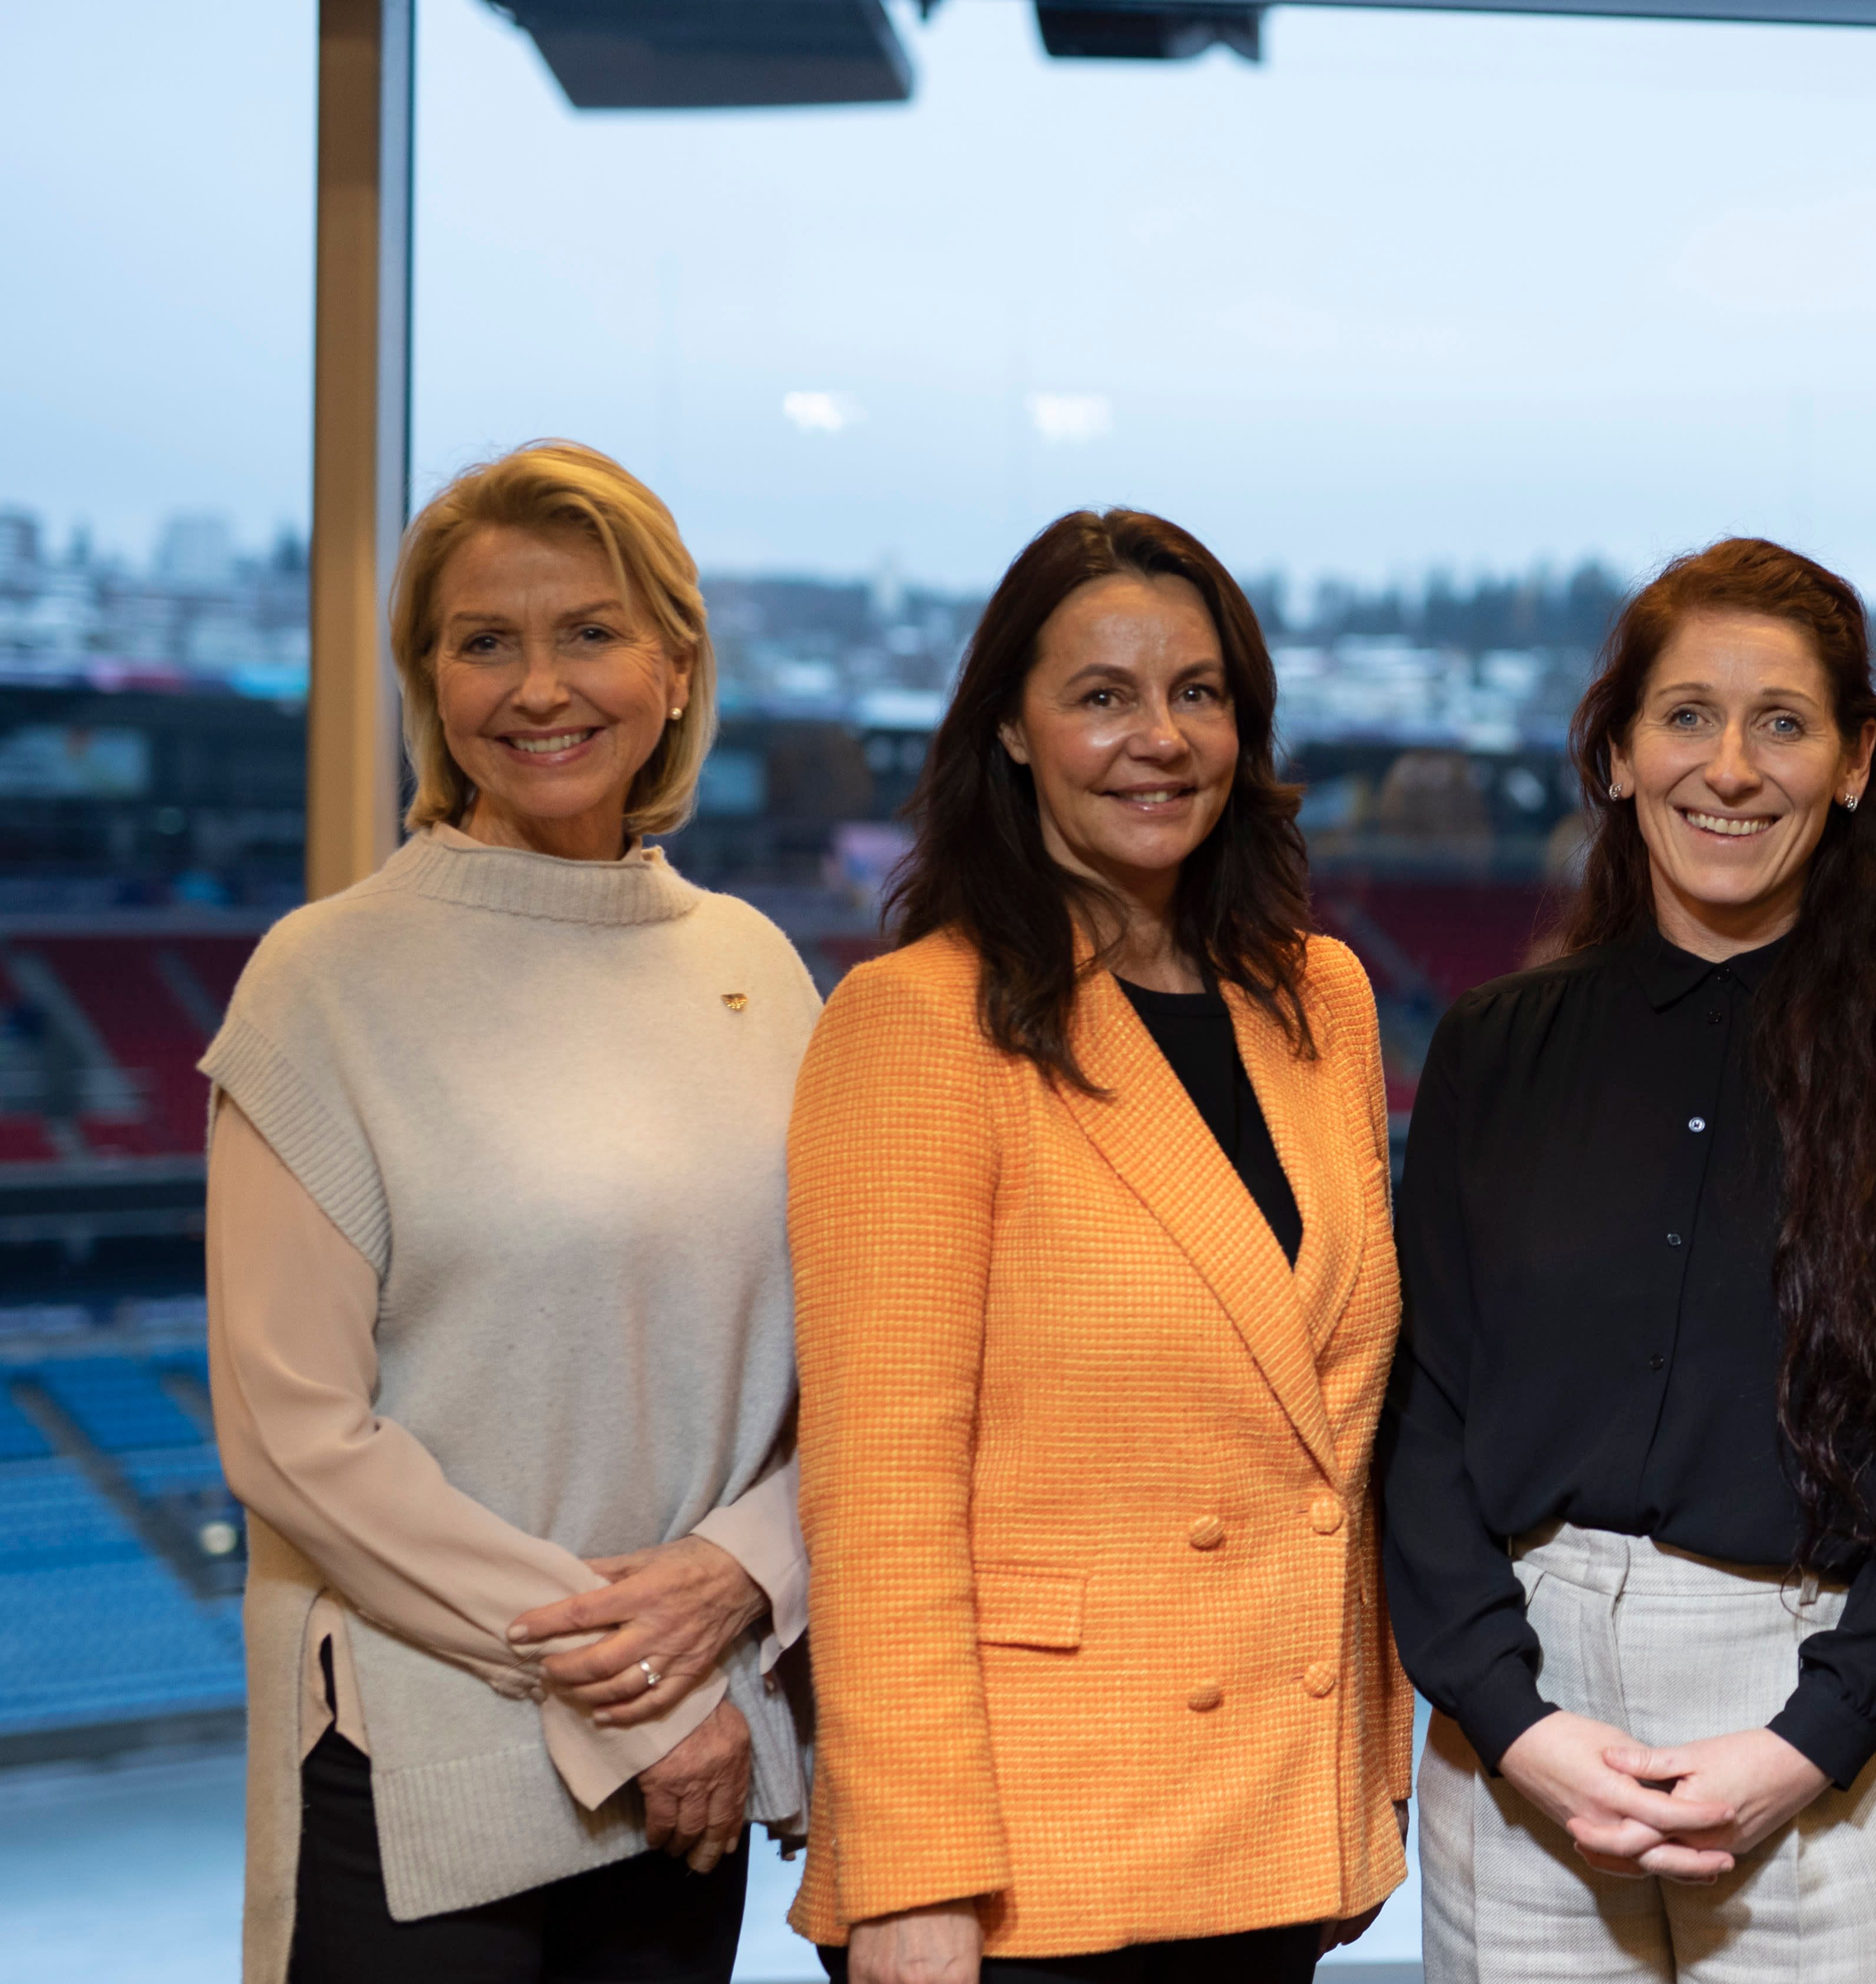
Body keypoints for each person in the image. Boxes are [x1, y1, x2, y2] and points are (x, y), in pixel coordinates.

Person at [1380, 537, 1876, 1983]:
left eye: (1782, 722)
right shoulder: (1500, 1046)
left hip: (1826, 1732)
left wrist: (1807, 1741)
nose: (1729, 768)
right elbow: (1422, 1409)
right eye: (1686, 715)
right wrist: (1515, 1719)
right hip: (1529, 1719)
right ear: (1617, 753)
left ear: (1857, 762)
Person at [203, 440, 812, 1984]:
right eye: (486, 642)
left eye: (590, 632)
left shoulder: (758, 973)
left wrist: (751, 1567)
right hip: (427, 1763)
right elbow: (294, 1437)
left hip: (699, 1755)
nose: (540, 688)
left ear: (675, 669)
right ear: (432, 685)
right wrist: (646, 1691)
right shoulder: (324, 980)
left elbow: (850, 1372)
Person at [788, 509, 1411, 1984]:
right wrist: (912, 1875)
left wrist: (1361, 1777)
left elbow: (1339, 1433)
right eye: (1102, 695)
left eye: (1197, 691)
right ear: (1009, 726)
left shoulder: (1317, 997)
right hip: (1022, 1858)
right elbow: (880, 1492)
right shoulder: (918, 1021)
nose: (1161, 737)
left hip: (1272, 1810)